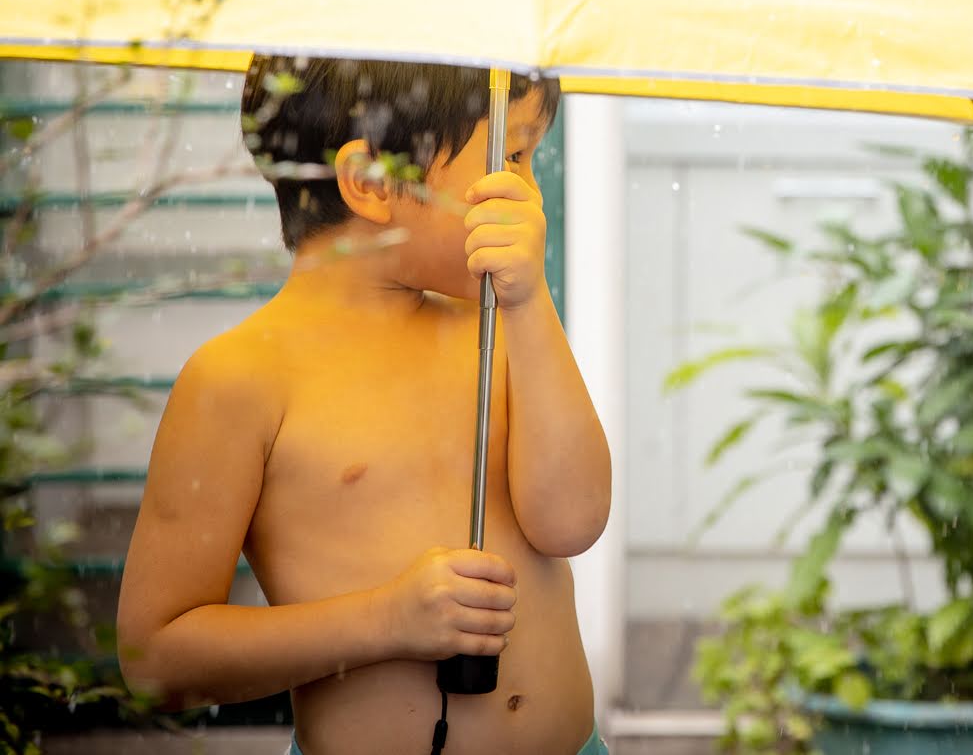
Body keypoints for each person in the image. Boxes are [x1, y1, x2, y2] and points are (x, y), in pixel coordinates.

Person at [117, 56, 613, 755]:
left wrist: (532, 304)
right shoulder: (239, 380)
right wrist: (387, 621)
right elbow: (157, 660)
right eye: (510, 155)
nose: (528, 195)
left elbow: (573, 521)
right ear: (373, 182)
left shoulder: (498, 333)